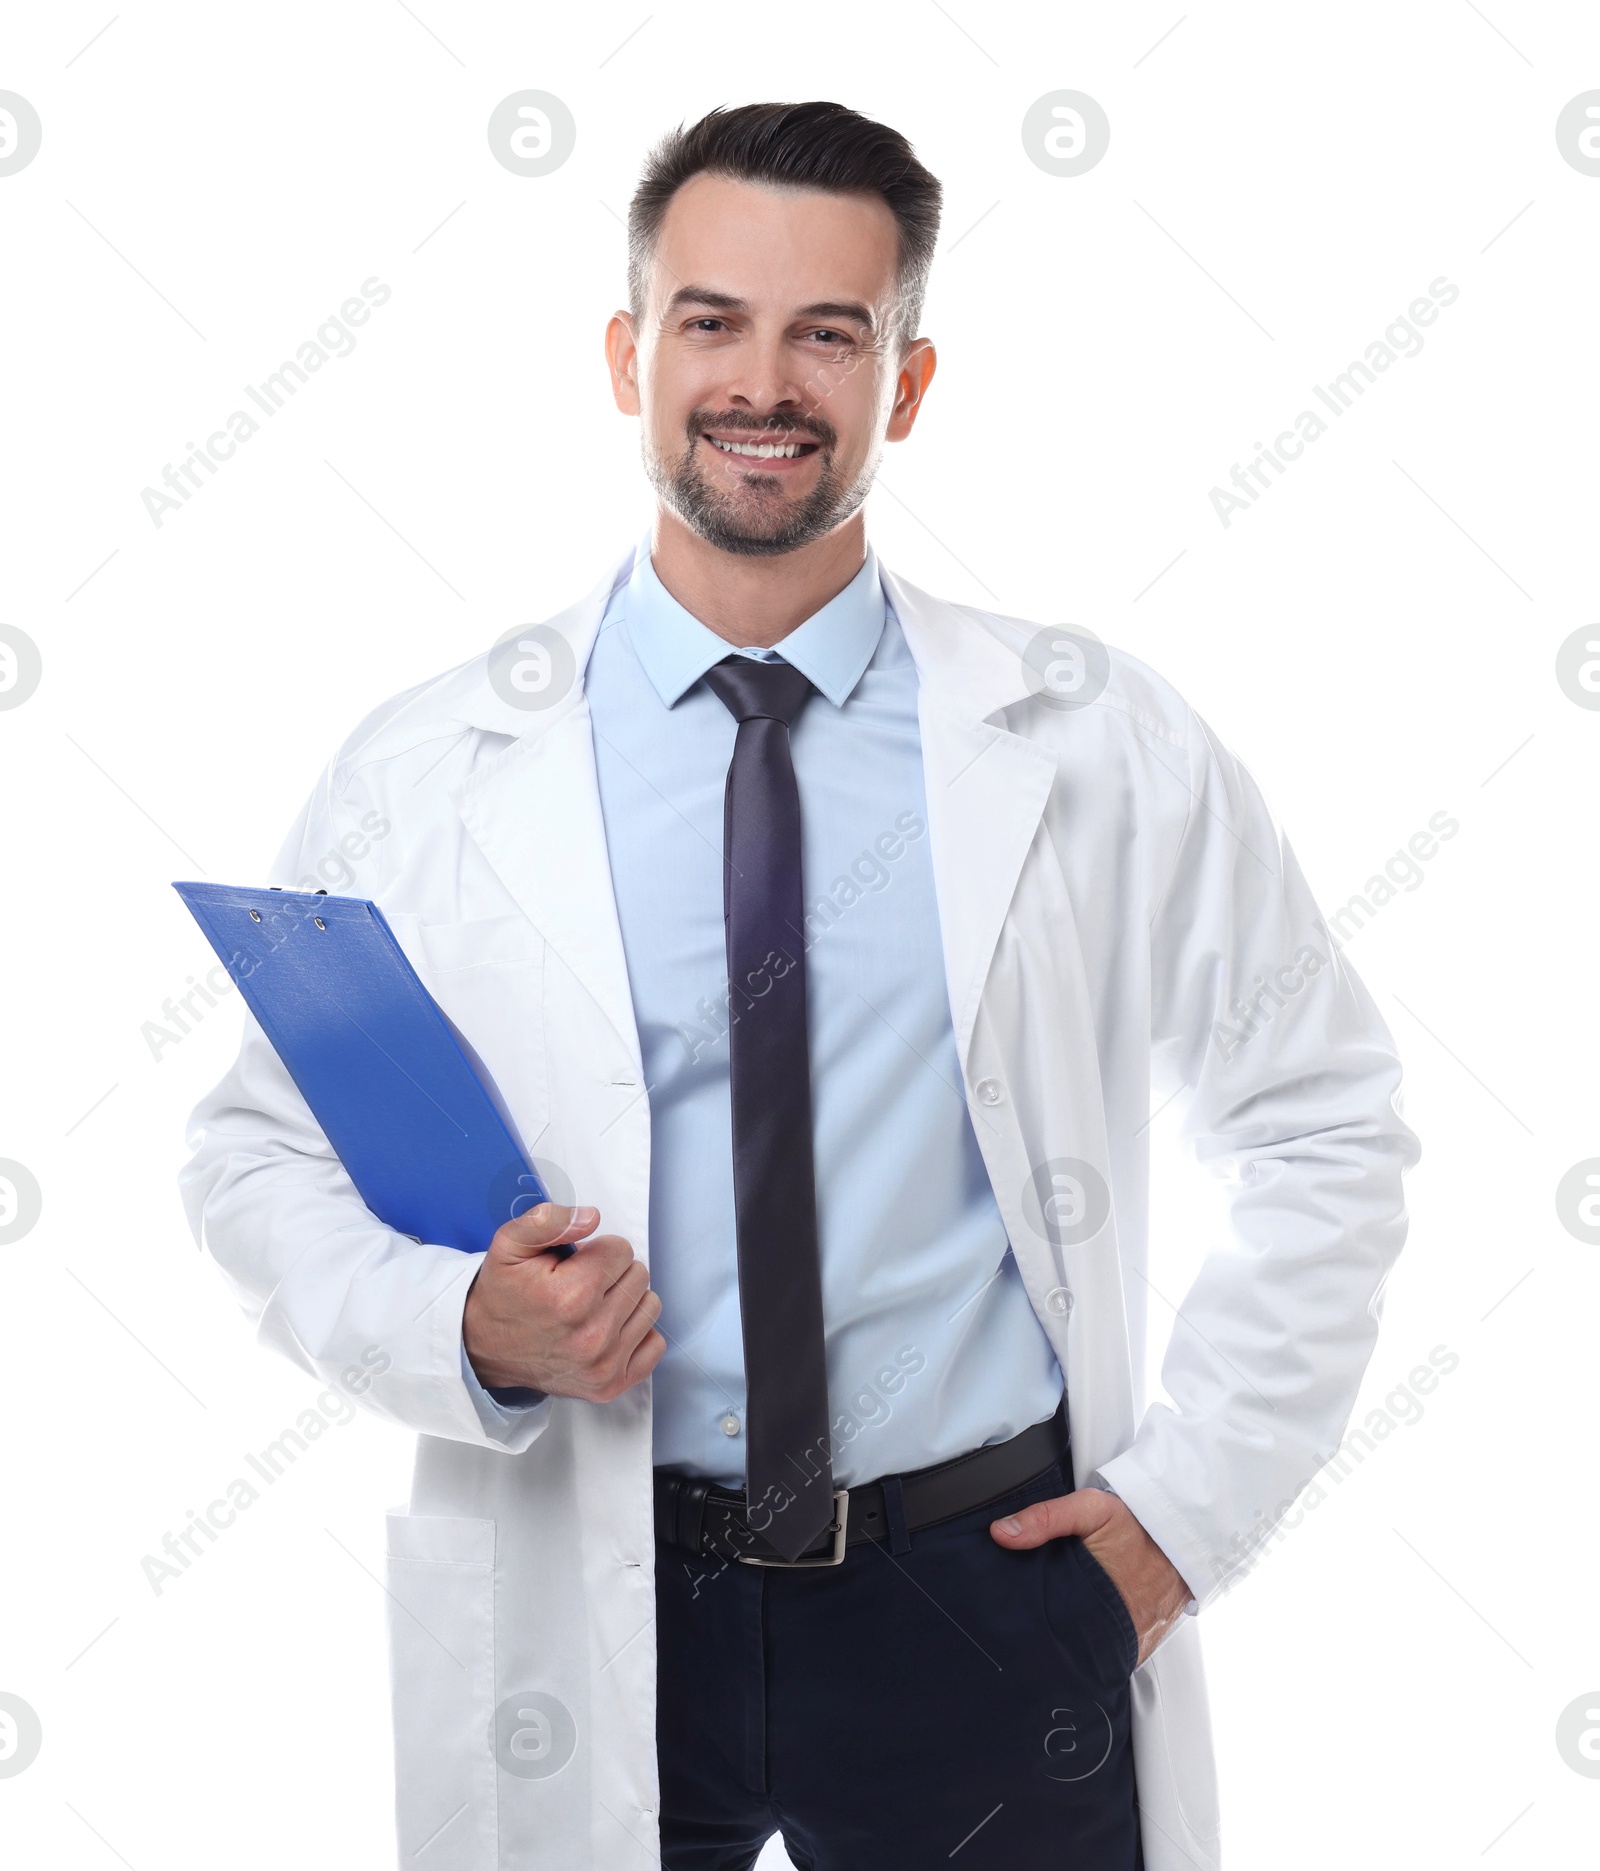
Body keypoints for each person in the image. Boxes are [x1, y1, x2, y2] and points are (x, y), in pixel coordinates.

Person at [181, 100, 1420, 1871]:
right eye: (713, 321)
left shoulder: (1095, 740)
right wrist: (460, 1325)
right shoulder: (428, 773)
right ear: (630, 355)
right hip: (592, 1593)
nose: (764, 381)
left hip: (988, 1603)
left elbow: (1323, 1123)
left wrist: (1174, 1523)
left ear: (905, 385)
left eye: (830, 332)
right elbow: (252, 1157)